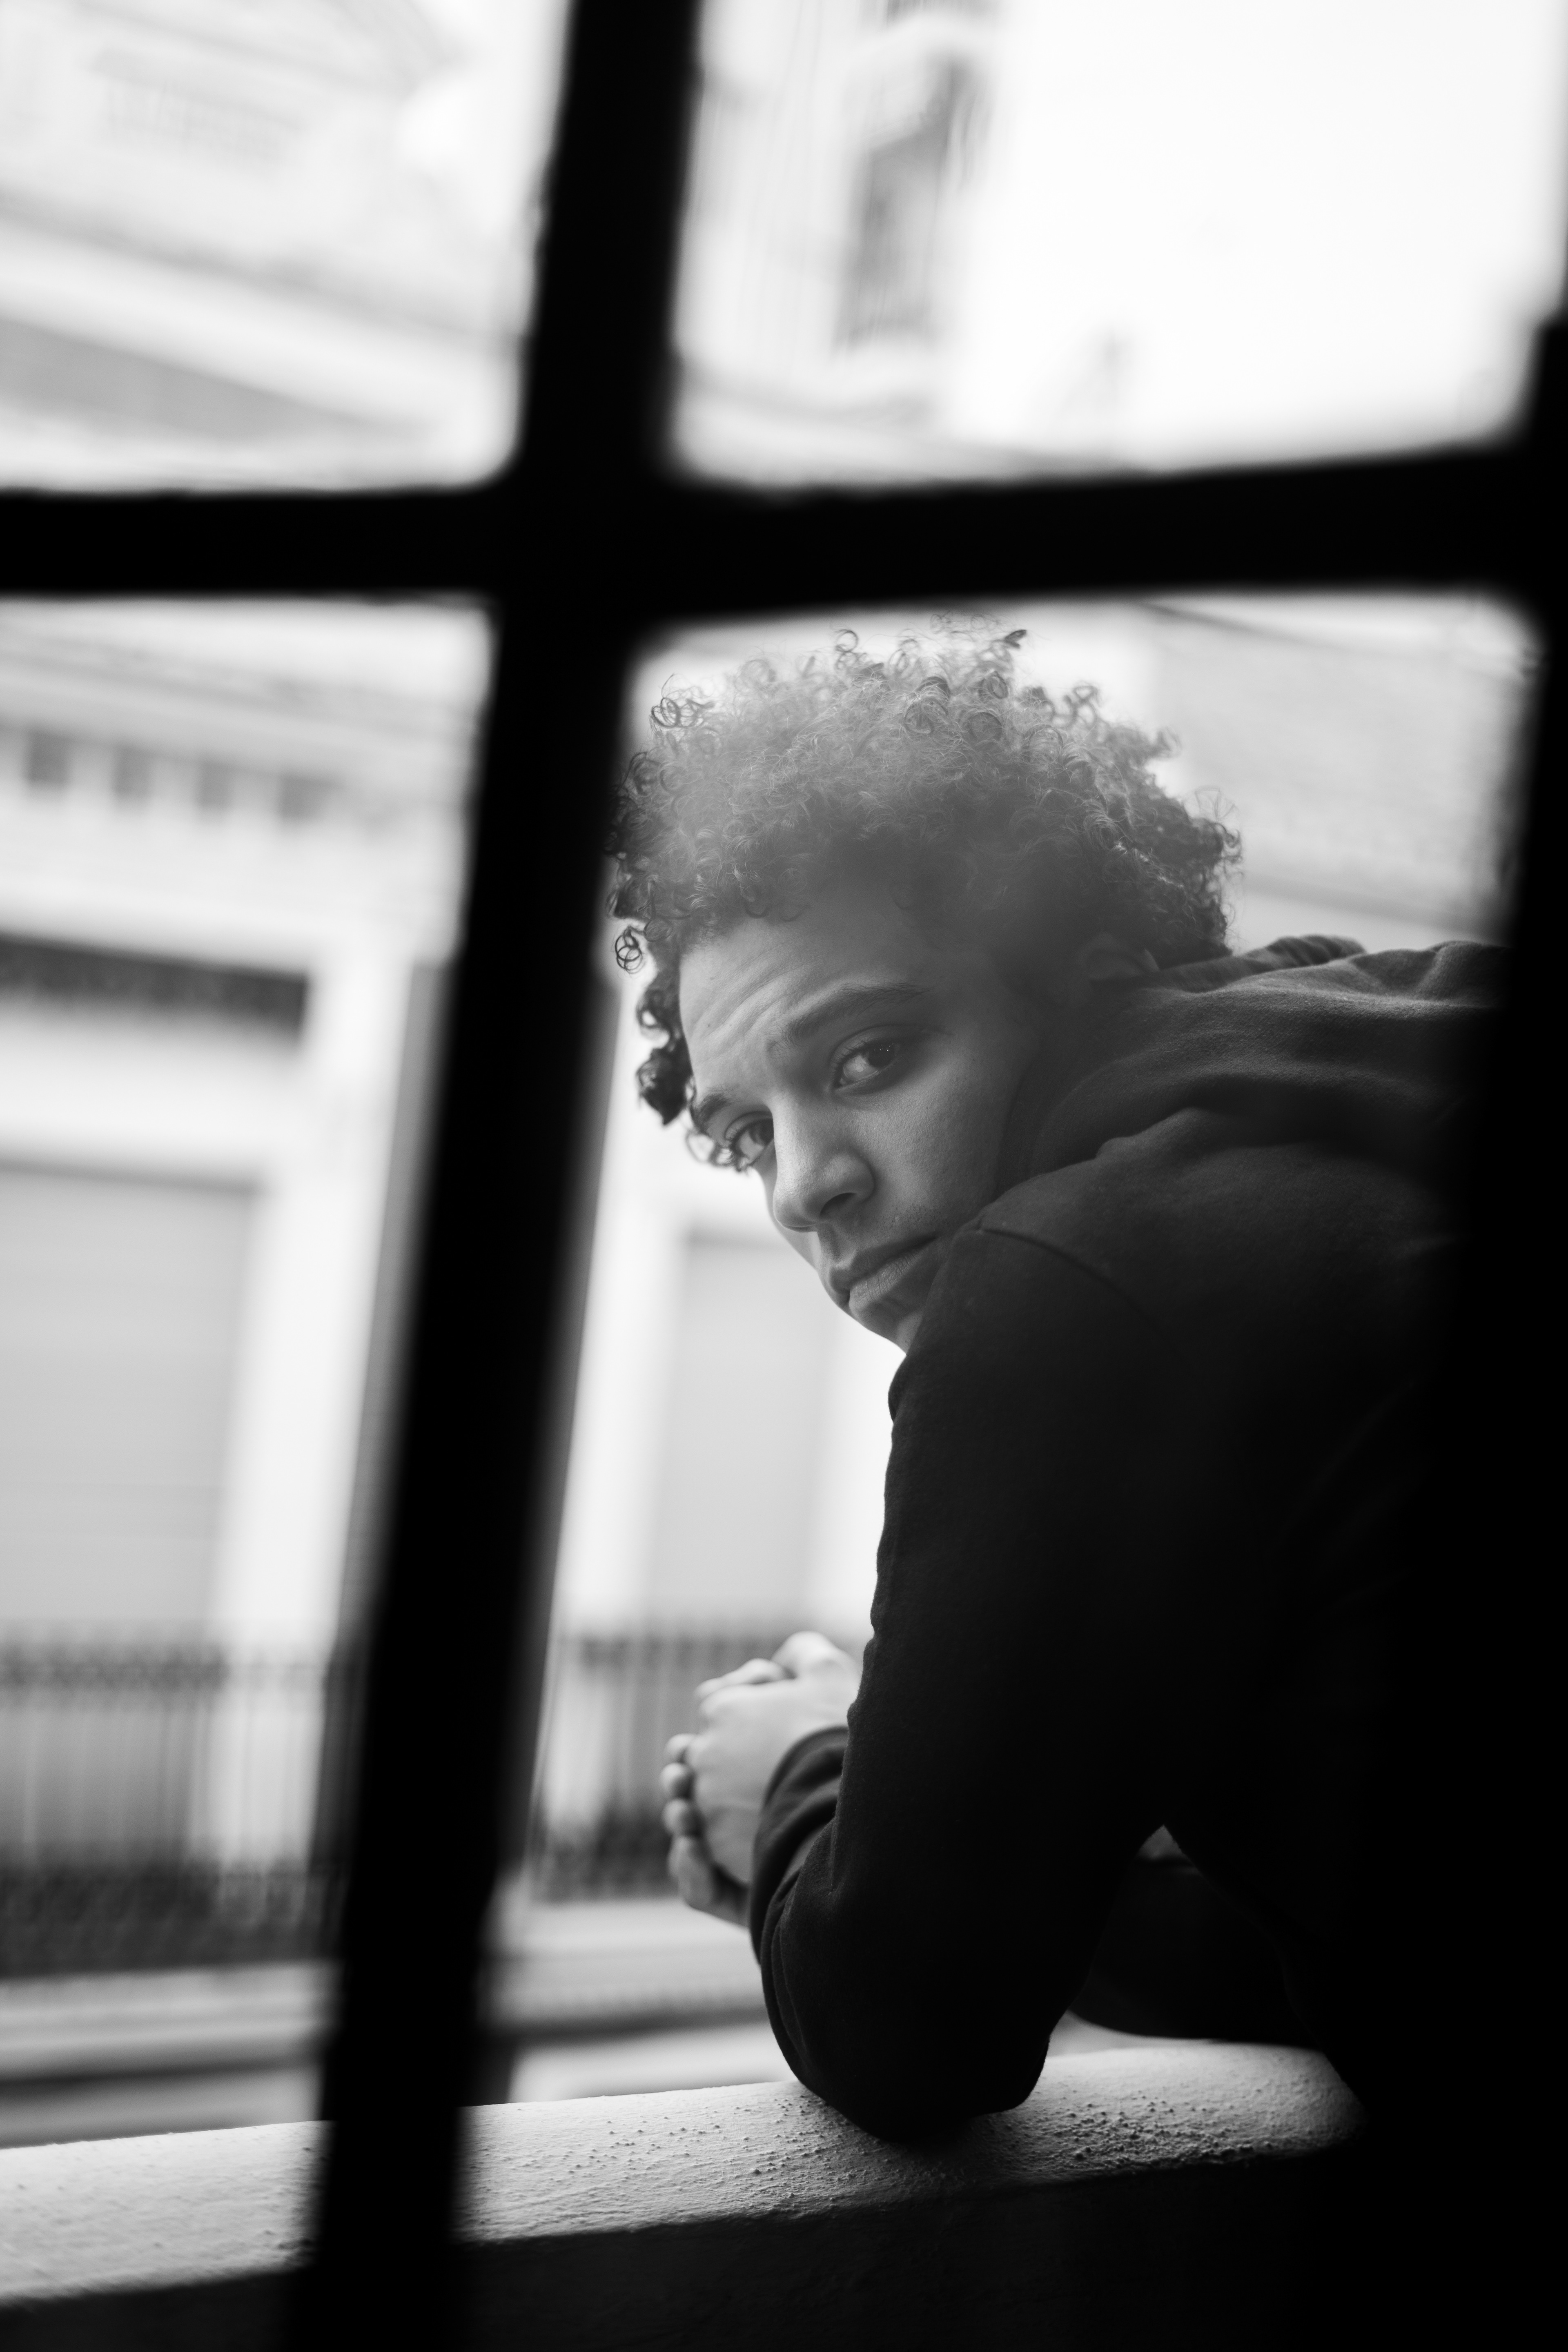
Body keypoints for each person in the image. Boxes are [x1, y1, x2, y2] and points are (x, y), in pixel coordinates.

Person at [610, 621, 1495, 2142]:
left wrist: (803, 1780)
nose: (807, 1186)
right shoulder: (1362, 1096)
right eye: (748, 1133)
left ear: (1092, 979)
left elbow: (906, 2036)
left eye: (870, 1057)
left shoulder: (1078, 1276)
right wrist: (997, 1859)